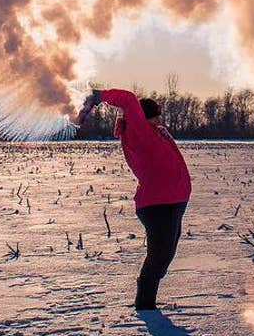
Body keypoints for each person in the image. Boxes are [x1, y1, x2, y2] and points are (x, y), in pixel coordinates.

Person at [76, 88, 191, 310]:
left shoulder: (155, 131)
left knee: (164, 257)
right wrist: (97, 97)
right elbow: (128, 99)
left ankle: (147, 300)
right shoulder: (140, 132)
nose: (160, 119)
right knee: (159, 259)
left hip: (173, 202)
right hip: (158, 204)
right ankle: (145, 306)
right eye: (155, 114)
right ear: (143, 116)